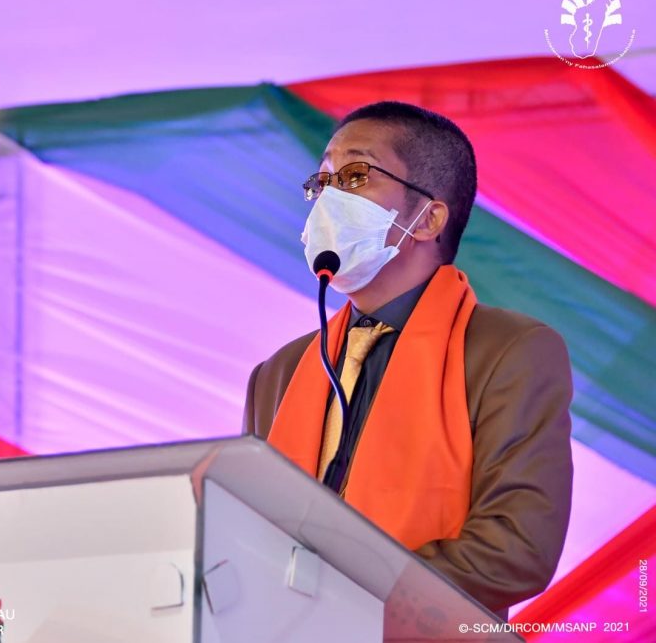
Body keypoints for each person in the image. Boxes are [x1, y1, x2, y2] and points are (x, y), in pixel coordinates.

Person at [242, 101, 573, 619]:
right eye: (322, 181)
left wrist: (349, 606)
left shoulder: (509, 351)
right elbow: (238, 532)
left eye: (355, 176)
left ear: (428, 219)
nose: (328, 199)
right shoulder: (279, 373)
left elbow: (515, 548)